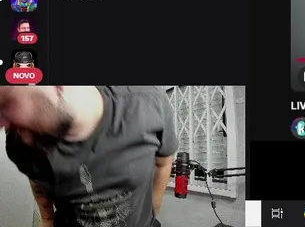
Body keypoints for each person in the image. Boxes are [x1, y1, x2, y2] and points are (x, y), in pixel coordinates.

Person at [3, 86, 178, 227]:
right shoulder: (19, 143)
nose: (3, 124)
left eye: (7, 103)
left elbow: (163, 163)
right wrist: (47, 219)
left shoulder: (147, 103)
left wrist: (153, 213)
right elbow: (37, 180)